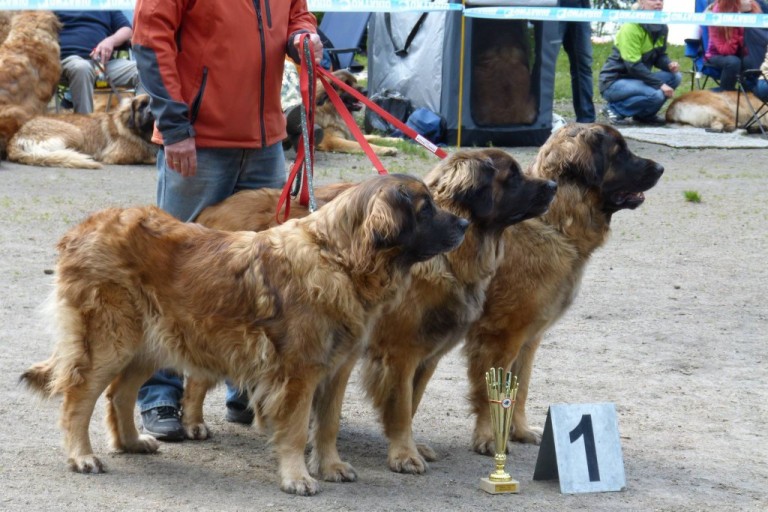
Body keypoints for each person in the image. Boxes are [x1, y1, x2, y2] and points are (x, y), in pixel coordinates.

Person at [131, 0, 322, 441]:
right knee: (172, 271)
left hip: (265, 142)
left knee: (269, 274)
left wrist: (302, 37)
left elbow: (297, 14)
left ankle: (249, 389)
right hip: (197, 139)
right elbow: (149, 41)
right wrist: (175, 127)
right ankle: (159, 393)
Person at [598, 0, 681, 126]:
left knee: (675, 77)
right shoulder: (631, 26)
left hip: (637, 79)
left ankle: (644, 116)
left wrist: (668, 64)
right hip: (614, 82)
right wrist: (660, 84)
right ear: (641, 3)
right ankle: (615, 109)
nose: (658, 2)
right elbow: (633, 66)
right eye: (653, 0)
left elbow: (660, 56)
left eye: (661, 0)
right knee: (656, 94)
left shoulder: (662, 26)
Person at [55, 11, 142, 114]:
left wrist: (110, 41)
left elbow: (127, 29)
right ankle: (86, 128)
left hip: (102, 64)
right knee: (82, 67)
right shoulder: (55, 4)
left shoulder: (104, 4)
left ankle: (146, 124)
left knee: (144, 70)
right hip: (68, 61)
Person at [705, 0, 762, 91]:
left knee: (751, 61)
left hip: (739, 54)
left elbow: (753, 45)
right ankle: (725, 93)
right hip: (716, 54)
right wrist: (736, 24)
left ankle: (749, 95)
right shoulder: (717, 14)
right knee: (733, 62)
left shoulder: (751, 9)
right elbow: (726, 50)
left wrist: (747, 14)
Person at [558, 0, 596, 123]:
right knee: (544, 62)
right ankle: (539, 119)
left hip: (580, 7)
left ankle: (586, 120)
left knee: (583, 64)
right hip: (550, 5)